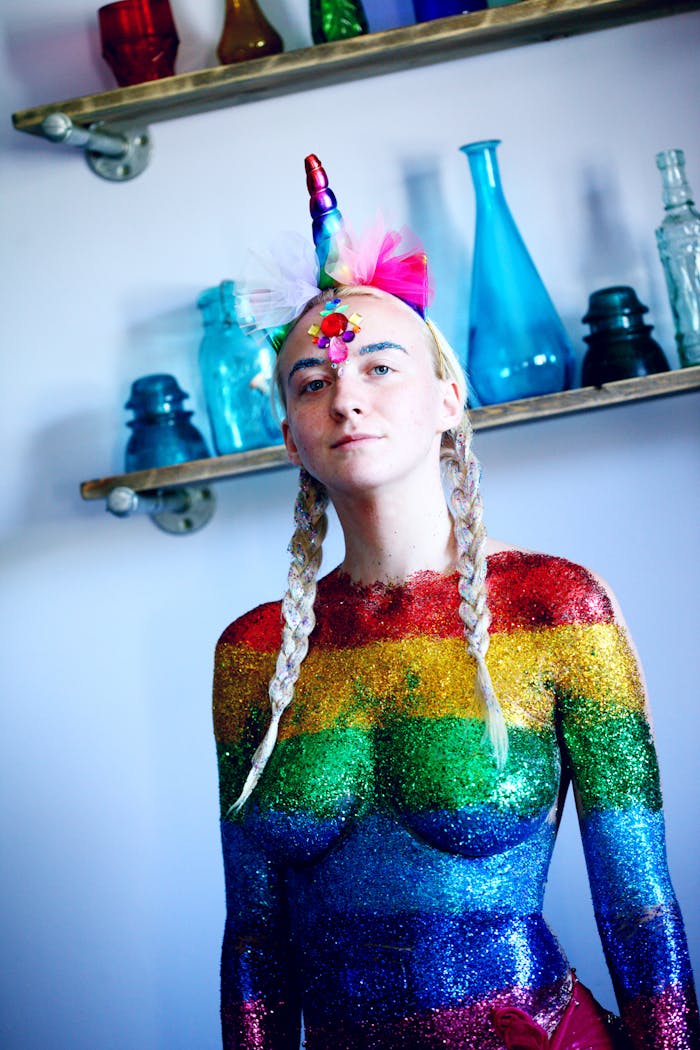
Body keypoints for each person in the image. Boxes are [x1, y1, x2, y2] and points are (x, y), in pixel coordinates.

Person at [212, 155, 699, 1050]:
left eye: (380, 367)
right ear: (290, 436)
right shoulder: (253, 651)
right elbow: (253, 943)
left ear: (448, 397)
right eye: (312, 383)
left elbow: (637, 903)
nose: (346, 398)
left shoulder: (556, 605)